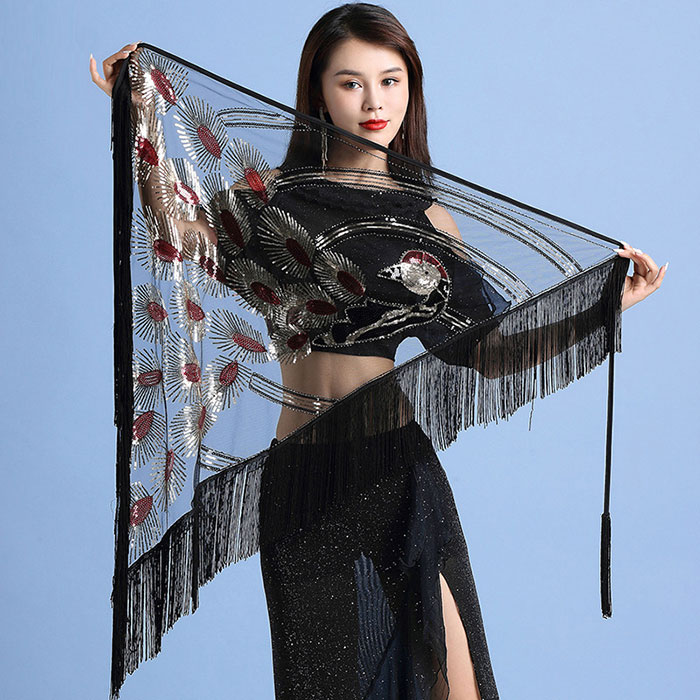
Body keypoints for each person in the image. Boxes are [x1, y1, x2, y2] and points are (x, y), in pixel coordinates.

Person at [90, 4, 666, 699]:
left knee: (458, 686)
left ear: (410, 91)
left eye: (391, 81)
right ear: (318, 93)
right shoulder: (271, 202)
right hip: (302, 479)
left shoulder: (427, 218)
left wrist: (604, 310)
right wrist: (139, 121)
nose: (374, 103)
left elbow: (488, 353)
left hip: (397, 470)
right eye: (351, 82)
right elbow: (179, 237)